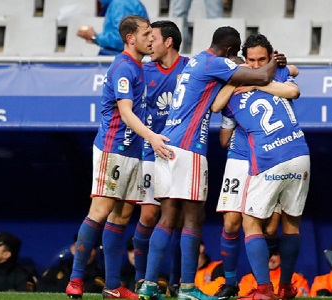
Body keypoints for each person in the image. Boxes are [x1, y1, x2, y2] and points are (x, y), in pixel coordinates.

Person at [137, 26, 281, 300]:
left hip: (166, 143)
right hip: (188, 148)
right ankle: (188, 290)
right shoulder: (216, 64)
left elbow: (234, 69)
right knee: (193, 219)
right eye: (236, 52)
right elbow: (263, 74)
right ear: (228, 50)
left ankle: (148, 285)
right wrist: (276, 60)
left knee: (166, 218)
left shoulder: (197, 60)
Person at [66, 15, 172, 300]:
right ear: (131, 38)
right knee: (100, 211)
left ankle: (112, 286)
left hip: (133, 151)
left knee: (122, 214)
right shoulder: (124, 68)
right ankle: (75, 279)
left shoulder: (139, 66)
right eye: (147, 33)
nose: (152, 38)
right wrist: (152, 136)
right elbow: (126, 112)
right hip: (113, 149)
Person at [210, 36, 308, 300]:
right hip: (242, 156)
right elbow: (218, 114)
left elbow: (293, 83)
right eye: (250, 61)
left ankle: (269, 286)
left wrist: (259, 81)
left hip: (268, 155)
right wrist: (236, 83)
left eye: (261, 60)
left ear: (271, 58)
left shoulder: (277, 73)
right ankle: (231, 282)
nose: (255, 65)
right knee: (232, 222)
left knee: (268, 228)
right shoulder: (234, 83)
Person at [133, 20, 190, 297]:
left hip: (181, 151)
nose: (149, 43)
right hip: (149, 149)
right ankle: (141, 278)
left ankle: (176, 280)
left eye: (153, 38)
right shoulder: (143, 71)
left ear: (168, 42)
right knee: (149, 213)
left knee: (177, 217)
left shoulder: (191, 68)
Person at [77, 0, 149, 56]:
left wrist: (94, 37)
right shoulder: (121, 3)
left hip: (120, 60)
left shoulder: (121, 4)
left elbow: (121, 39)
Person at [37, 235, 104, 293]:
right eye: (80, 247)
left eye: (90, 248)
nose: (84, 252)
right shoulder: (61, 268)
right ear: (72, 249)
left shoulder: (100, 274)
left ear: (95, 251)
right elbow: (41, 286)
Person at [237, 250, 310, 298]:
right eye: (267, 254)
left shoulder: (297, 279)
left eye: (274, 254)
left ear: (282, 257)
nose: (270, 258)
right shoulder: (248, 279)